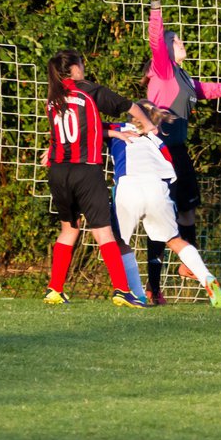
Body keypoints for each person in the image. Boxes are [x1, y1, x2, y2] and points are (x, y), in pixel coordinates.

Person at [138, 0, 221, 305]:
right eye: (179, 40)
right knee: (161, 218)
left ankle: (186, 265)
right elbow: (156, 39)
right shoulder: (164, 69)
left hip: (178, 150)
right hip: (161, 151)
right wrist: (155, 5)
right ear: (167, 51)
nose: (183, 43)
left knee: (187, 209)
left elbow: (203, 90)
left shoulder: (182, 76)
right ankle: (154, 288)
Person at [42, 49, 153, 308]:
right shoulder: (88, 89)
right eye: (81, 64)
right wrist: (147, 124)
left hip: (58, 170)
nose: (84, 69)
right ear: (74, 69)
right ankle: (122, 291)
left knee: (69, 229)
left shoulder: (53, 98)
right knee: (103, 231)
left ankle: (54, 289)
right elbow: (127, 105)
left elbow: (81, 128)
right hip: (85, 170)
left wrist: (113, 135)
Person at [109, 100, 221, 308]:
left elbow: (92, 127)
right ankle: (207, 277)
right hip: (157, 188)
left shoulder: (119, 129)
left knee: (118, 242)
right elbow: (169, 173)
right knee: (174, 240)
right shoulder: (158, 141)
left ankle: (138, 294)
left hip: (129, 184)